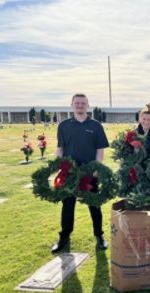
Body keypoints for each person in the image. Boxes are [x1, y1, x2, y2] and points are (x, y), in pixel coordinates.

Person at [52, 93, 110, 253]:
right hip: (69, 173)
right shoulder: (63, 126)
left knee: (94, 205)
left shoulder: (96, 125)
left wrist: (97, 168)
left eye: (83, 103)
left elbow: (100, 149)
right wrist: (57, 167)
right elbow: (60, 148)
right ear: (72, 105)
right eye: (77, 103)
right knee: (68, 206)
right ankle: (64, 237)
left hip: (89, 173)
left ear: (87, 105)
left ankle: (100, 236)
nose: (80, 105)